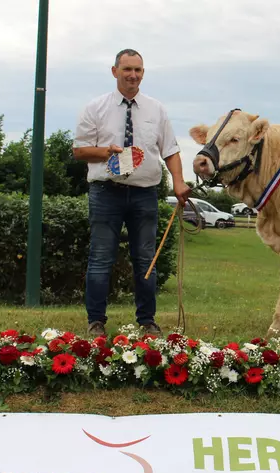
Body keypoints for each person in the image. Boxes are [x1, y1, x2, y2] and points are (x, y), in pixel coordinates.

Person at [73, 48, 191, 336]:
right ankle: (96, 322)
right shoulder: (95, 108)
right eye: (127, 69)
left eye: (138, 70)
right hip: (105, 192)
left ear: (143, 73)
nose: (133, 75)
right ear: (115, 72)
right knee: (101, 258)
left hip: (145, 194)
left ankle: (148, 323)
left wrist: (178, 182)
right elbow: (79, 150)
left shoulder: (156, 109)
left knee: (145, 260)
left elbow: (171, 151)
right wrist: (105, 152)